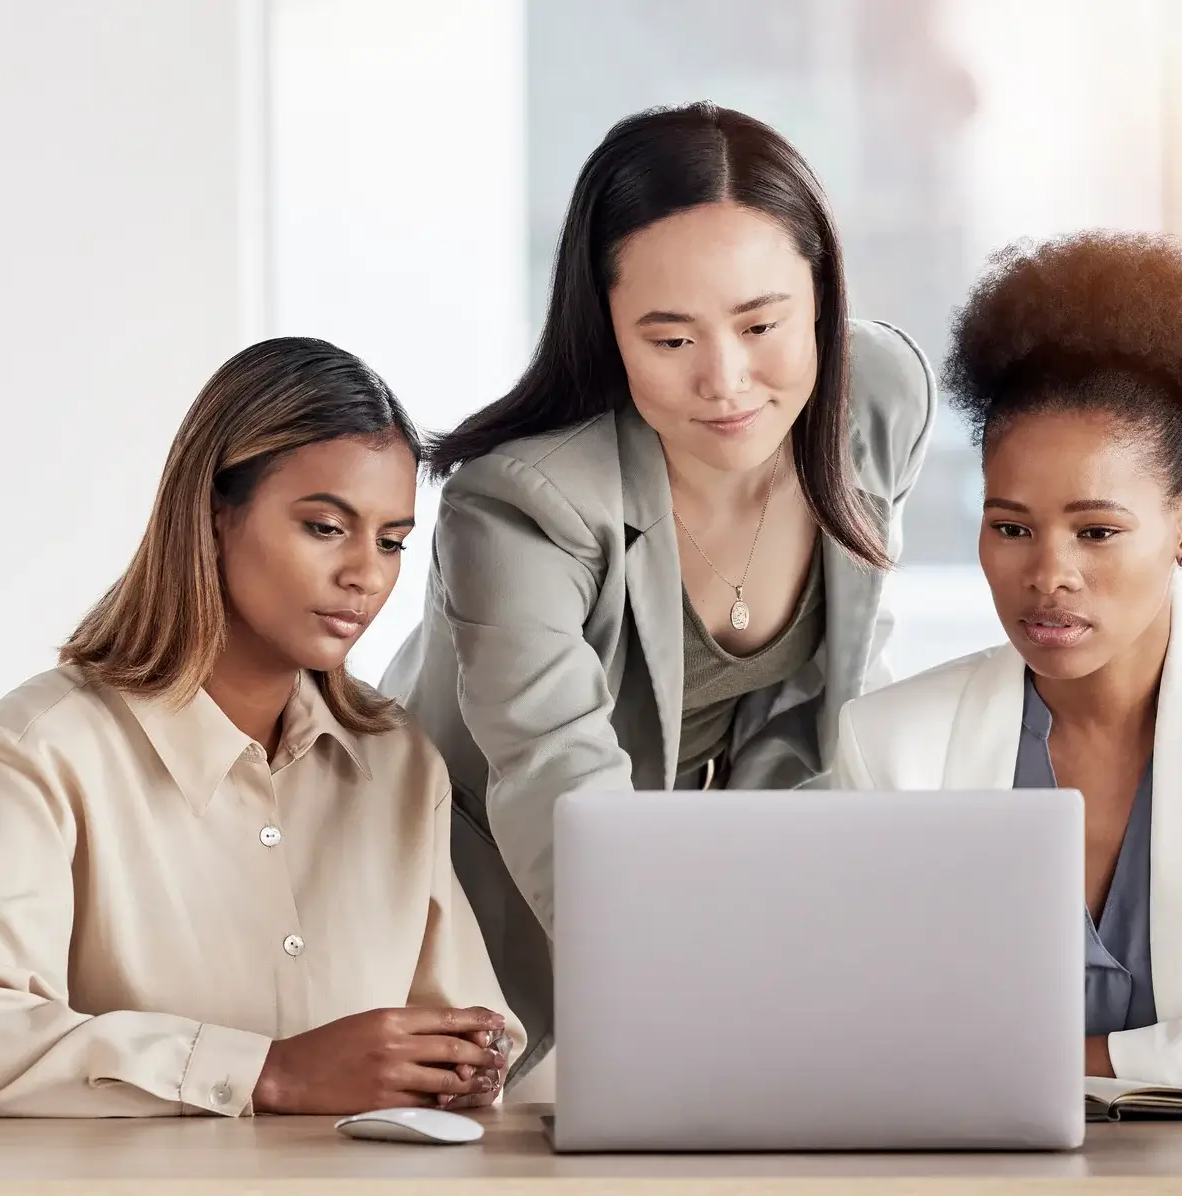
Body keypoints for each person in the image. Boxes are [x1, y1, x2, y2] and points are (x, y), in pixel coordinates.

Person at [382, 102, 935, 1068]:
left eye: (763, 323)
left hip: (699, 902)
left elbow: (824, 721)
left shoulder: (878, 395)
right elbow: (560, 786)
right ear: (606, 330)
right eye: (670, 339)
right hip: (474, 909)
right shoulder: (521, 503)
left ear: (823, 298)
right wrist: (698, 991)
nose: (726, 380)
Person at [833, 231, 1182, 1098]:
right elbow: (865, 1038)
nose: (1048, 574)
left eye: (1097, 531)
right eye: (1011, 527)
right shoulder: (894, 744)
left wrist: (1069, 1067)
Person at [0, 337, 519, 1117]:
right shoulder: (42, 751)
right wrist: (269, 1074)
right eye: (326, 527)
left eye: (392, 541)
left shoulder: (398, 765)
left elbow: (464, 1030)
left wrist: (468, 1064)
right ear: (217, 514)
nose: (366, 573)